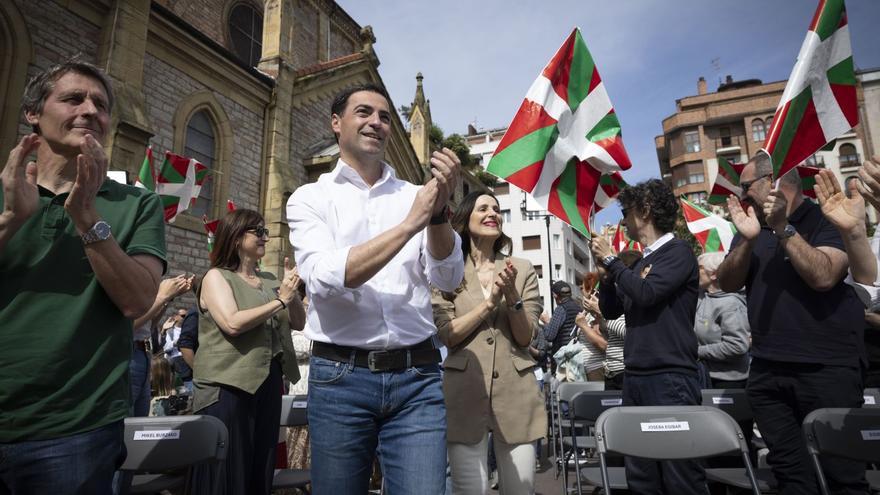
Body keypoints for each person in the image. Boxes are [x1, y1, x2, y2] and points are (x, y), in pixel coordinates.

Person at [286, 83, 464, 494]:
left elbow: (448, 279)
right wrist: (409, 224)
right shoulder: (309, 198)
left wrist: (437, 216)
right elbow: (325, 277)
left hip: (417, 377)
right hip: (340, 378)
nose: (377, 123)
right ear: (336, 123)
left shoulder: (415, 196)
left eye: (385, 116)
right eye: (364, 112)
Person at [0, 60, 165, 494]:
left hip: (76, 429)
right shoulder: (6, 189)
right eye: (73, 99)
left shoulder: (137, 205)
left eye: (101, 105)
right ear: (34, 113)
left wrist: (87, 216)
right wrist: (12, 220)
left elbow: (137, 301)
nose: (90, 110)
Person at [717, 154, 867, 494]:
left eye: (746, 186)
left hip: (827, 368)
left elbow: (825, 276)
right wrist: (749, 242)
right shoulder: (751, 227)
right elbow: (727, 282)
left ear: (774, 183)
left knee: (841, 476)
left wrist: (784, 229)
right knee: (792, 477)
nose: (742, 195)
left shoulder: (827, 216)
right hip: (769, 372)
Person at [590, 179, 705, 494]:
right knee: (641, 476)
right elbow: (612, 310)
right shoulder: (640, 262)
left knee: (681, 474)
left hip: (670, 377)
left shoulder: (677, 251)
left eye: (626, 212)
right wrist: (605, 275)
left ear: (646, 210)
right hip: (636, 377)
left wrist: (614, 262)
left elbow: (648, 293)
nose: (623, 221)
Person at [431, 191, 545, 494]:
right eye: (483, 208)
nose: (492, 212)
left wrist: (513, 299)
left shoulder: (520, 269)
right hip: (463, 394)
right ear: (466, 220)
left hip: (516, 393)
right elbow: (448, 334)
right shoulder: (447, 272)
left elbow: (526, 337)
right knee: (470, 489)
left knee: (521, 489)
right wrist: (489, 303)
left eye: (496, 208)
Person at [189, 209, 305, 495]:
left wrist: (293, 292)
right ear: (237, 236)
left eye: (265, 231)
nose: (265, 237)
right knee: (226, 472)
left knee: (259, 468)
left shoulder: (267, 278)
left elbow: (299, 323)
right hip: (227, 386)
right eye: (259, 232)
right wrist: (281, 299)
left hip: (268, 383)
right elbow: (232, 323)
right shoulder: (216, 277)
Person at [581, 250, 642, 391]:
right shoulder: (619, 295)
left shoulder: (632, 297)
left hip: (624, 371)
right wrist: (599, 317)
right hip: (613, 372)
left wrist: (600, 314)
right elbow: (609, 334)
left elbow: (630, 333)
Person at [693, 252, 750, 389]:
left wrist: (697, 351)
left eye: (699, 268)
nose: (695, 271)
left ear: (714, 274)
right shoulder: (701, 296)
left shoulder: (731, 305)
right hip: (704, 374)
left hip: (726, 382)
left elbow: (737, 346)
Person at [543, 280, 581, 374]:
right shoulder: (578, 307)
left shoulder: (561, 309)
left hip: (562, 358)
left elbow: (549, 335)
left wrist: (546, 322)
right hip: (577, 355)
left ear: (555, 296)